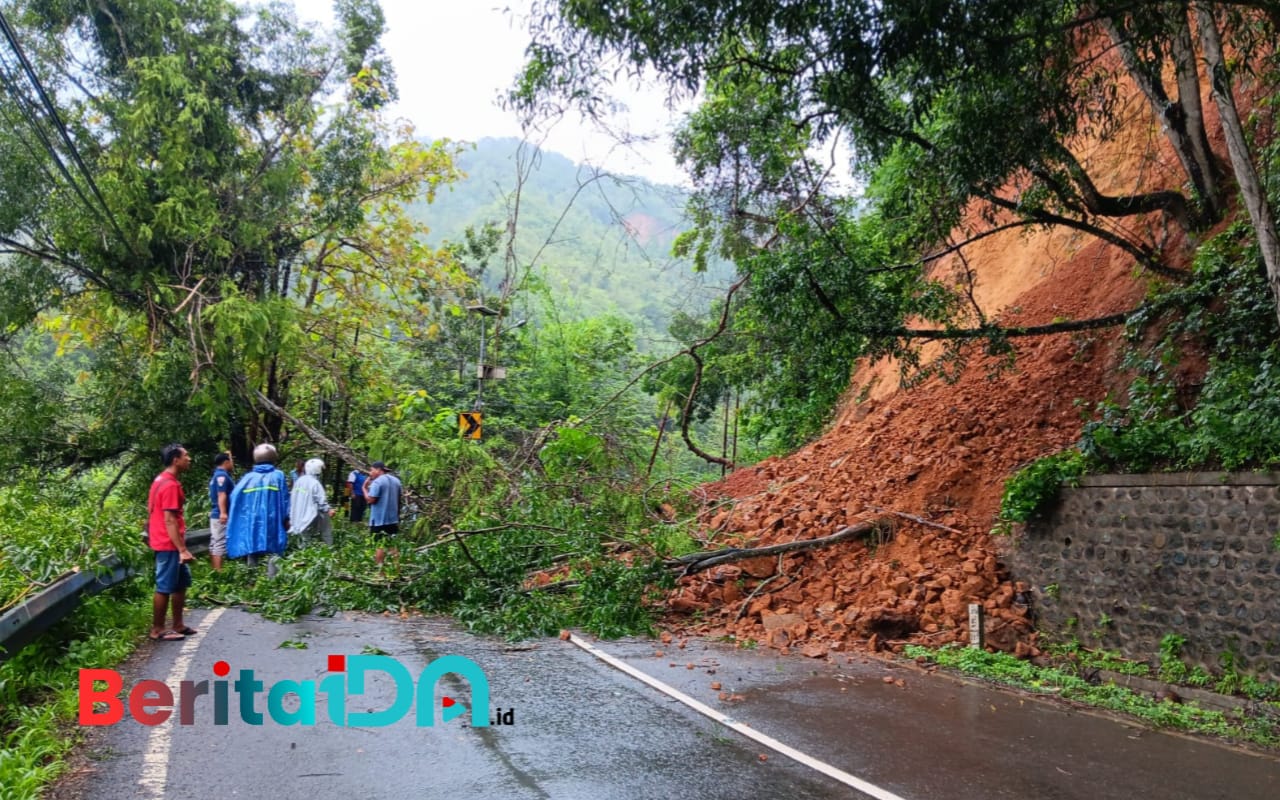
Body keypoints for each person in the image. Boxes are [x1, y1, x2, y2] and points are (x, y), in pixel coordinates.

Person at [148, 443, 195, 641]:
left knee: (180, 583)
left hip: (166, 541)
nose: (189, 459)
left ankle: (178, 624)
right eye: (186, 456)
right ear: (175, 460)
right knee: (165, 586)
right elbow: (169, 519)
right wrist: (182, 549)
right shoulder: (169, 485)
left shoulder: (161, 480)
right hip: (169, 544)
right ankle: (157, 629)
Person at [227, 443, 290, 576]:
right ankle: (272, 580)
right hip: (272, 519)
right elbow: (285, 499)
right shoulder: (278, 476)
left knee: (252, 545)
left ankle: (251, 578)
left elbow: (234, 497)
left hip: (252, 520)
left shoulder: (248, 478)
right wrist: (287, 518)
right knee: (275, 547)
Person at [290, 457, 334, 545]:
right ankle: (329, 549)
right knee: (326, 531)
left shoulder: (299, 481)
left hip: (299, 514)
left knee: (305, 537)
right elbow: (321, 501)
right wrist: (329, 510)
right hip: (312, 514)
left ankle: (303, 553)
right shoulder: (315, 483)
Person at [207, 451, 234, 571]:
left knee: (215, 542)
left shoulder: (216, 475)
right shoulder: (221, 476)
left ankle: (214, 571)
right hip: (219, 514)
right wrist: (223, 512)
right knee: (219, 543)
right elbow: (221, 494)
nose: (232, 464)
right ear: (226, 462)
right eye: (231, 462)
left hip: (215, 514)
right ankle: (218, 572)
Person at [364, 461, 402, 536]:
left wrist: (364, 488)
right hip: (393, 520)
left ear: (378, 470)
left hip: (378, 520)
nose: (370, 473)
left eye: (371, 470)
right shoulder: (397, 481)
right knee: (392, 545)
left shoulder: (377, 482)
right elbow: (399, 499)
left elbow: (371, 500)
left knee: (378, 545)